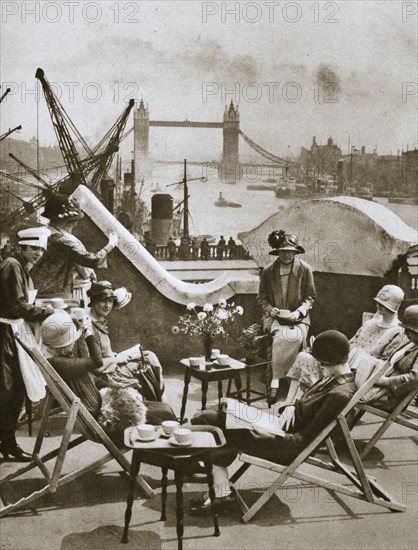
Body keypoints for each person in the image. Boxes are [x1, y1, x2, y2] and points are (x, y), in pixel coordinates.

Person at [189, 331, 356, 515]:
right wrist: (291, 406)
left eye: (321, 363)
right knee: (218, 416)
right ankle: (221, 489)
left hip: (287, 446)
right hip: (278, 427)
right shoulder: (334, 379)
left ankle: (219, 490)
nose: (317, 366)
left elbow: (305, 440)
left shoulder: (339, 395)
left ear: (331, 361)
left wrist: (260, 428)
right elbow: (305, 407)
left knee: (213, 424)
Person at [41, 311, 178, 447]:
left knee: (164, 409)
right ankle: (174, 454)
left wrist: (121, 387)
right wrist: (89, 333)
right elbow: (97, 361)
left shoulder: (60, 360)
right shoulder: (59, 363)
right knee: (165, 413)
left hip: (102, 406)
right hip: (104, 417)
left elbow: (92, 378)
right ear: (65, 345)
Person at [285, 285, 405, 403]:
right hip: (341, 362)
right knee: (304, 357)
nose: (378, 305)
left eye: (383, 304)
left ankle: (303, 404)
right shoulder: (370, 323)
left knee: (312, 364)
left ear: (395, 306)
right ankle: (289, 403)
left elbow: (384, 365)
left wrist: (356, 358)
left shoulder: (397, 331)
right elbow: (349, 344)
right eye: (378, 302)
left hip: (357, 375)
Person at [0, 227, 55, 461]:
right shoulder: (12, 266)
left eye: (41, 249)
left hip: (11, 331)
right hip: (4, 333)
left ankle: (8, 442)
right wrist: (48, 312)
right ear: (22, 247)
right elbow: (17, 307)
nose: (39, 253)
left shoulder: (20, 267)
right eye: (34, 248)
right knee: (9, 391)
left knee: (14, 391)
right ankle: (7, 443)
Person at [258, 230, 315, 404]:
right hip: (276, 317)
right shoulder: (268, 271)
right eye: (283, 251)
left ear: (296, 252)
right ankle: (275, 382)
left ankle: (293, 385)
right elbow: (262, 299)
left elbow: (310, 297)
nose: (287, 254)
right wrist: (270, 310)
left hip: (299, 317)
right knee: (280, 338)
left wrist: (299, 312)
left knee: (296, 337)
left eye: (290, 251)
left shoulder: (304, 269)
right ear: (278, 251)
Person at [85, 281, 166, 402]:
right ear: (94, 301)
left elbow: (105, 352)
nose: (107, 305)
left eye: (111, 301)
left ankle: (160, 404)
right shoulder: (88, 327)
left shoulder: (99, 321)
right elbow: (92, 365)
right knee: (149, 361)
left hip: (110, 366)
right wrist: (117, 359)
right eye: (104, 301)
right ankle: (160, 404)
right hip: (103, 376)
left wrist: (118, 356)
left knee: (148, 356)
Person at [32, 193, 118, 304]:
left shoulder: (46, 233)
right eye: (74, 222)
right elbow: (92, 259)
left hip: (40, 290)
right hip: (54, 294)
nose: (76, 224)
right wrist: (111, 244)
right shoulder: (61, 241)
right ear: (65, 221)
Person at [356, 304, 418, 411]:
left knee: (345, 392)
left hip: (390, 396)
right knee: (343, 388)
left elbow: (415, 379)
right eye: (406, 329)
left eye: (412, 330)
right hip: (380, 388)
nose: (407, 333)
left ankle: (338, 424)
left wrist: (386, 382)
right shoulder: (411, 343)